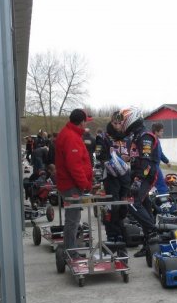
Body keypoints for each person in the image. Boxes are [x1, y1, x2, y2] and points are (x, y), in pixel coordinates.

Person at [54, 108, 94, 257]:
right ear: (82, 122)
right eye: (85, 122)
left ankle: (70, 249)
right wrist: (85, 184)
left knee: (73, 219)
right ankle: (70, 252)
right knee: (73, 220)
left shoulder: (70, 134)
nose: (86, 125)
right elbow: (74, 166)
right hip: (71, 186)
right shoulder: (71, 137)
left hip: (69, 184)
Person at [120, 106, 159, 257]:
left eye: (124, 119)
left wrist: (138, 180)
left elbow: (147, 163)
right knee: (144, 206)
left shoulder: (145, 136)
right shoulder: (136, 136)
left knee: (133, 203)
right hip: (138, 175)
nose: (123, 122)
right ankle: (149, 243)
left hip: (145, 176)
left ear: (132, 118)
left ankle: (153, 230)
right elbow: (138, 158)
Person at [96, 111, 132, 242]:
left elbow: (134, 153)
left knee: (124, 207)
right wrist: (114, 158)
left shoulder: (128, 137)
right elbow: (99, 155)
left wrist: (128, 158)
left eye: (120, 123)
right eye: (115, 123)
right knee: (113, 207)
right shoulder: (103, 137)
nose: (117, 125)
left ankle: (120, 230)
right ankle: (112, 234)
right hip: (110, 176)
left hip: (125, 176)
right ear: (111, 122)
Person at [150, 122, 172, 194]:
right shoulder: (151, 141)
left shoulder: (157, 141)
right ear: (156, 132)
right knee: (162, 186)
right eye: (161, 131)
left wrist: (167, 161)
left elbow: (160, 153)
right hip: (153, 166)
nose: (163, 132)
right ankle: (165, 203)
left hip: (155, 166)